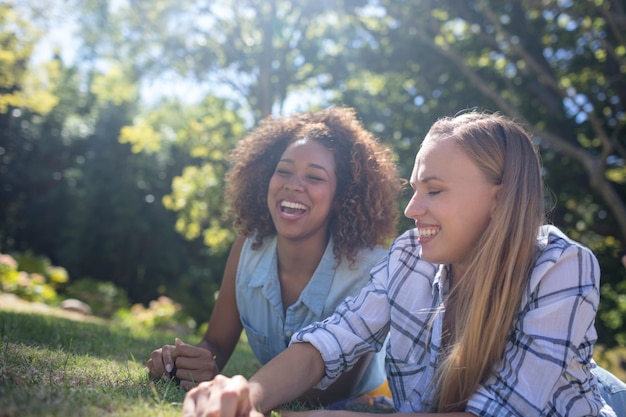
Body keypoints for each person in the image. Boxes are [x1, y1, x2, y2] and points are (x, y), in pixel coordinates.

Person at [182, 111, 625, 417]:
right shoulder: (409, 256)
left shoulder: (562, 267)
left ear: (500, 198)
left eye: (434, 190)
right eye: (414, 188)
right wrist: (247, 395)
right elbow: (329, 342)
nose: (412, 209)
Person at [146, 107, 403, 405]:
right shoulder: (248, 247)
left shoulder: (371, 272)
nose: (293, 184)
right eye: (283, 171)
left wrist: (240, 388)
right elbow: (215, 343)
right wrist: (183, 362)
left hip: (368, 398)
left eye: (315, 177)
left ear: (340, 198)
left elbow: (335, 393)